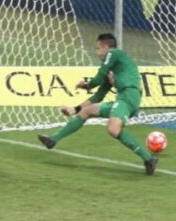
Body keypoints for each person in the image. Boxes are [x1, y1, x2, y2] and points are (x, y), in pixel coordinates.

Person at [37, 33, 159, 175]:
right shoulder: (112, 70)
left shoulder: (114, 53)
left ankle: (148, 158)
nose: (96, 52)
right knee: (86, 111)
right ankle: (52, 139)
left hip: (128, 96)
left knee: (113, 129)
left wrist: (87, 85)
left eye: (98, 48)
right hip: (122, 99)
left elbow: (100, 76)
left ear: (106, 47)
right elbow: (99, 96)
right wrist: (74, 109)